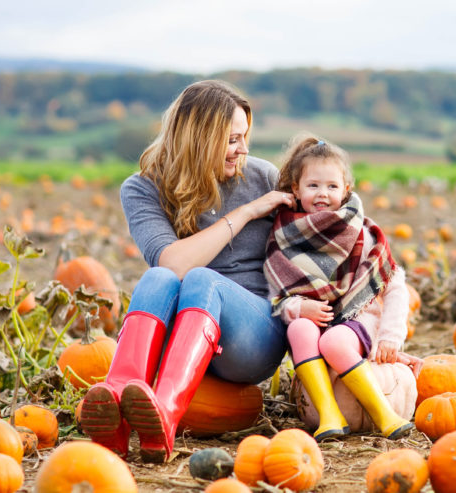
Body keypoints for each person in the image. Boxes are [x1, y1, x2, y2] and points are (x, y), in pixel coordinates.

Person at [79, 80, 296, 463]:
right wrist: (244, 214)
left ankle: (165, 411)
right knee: (160, 276)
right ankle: (117, 400)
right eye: (232, 140)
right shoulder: (143, 188)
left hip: (255, 336)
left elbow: (331, 208)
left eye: (244, 137)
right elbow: (172, 263)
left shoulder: (263, 177)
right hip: (186, 340)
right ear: (199, 139)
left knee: (200, 279)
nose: (243, 149)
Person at [264, 135, 422, 441]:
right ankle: (329, 416)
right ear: (296, 189)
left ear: (346, 190)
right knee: (298, 330)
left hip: (359, 320)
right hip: (318, 321)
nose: (323, 194)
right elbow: (277, 298)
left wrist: (391, 337)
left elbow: (394, 284)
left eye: (332, 186)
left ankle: (383, 413)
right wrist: (299, 307)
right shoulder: (285, 236)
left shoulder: (361, 232)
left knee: (334, 340)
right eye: (313, 186)